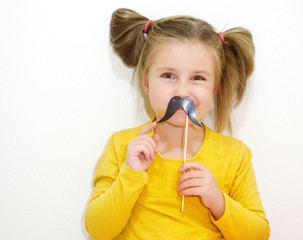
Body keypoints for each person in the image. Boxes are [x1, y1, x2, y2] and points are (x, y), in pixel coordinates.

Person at [85, 8, 270, 240]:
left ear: (214, 89)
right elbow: (99, 230)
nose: (182, 91)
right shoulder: (122, 146)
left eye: (198, 78)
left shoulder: (235, 156)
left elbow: (259, 234)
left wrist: (219, 203)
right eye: (168, 76)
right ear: (146, 83)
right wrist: (130, 174)